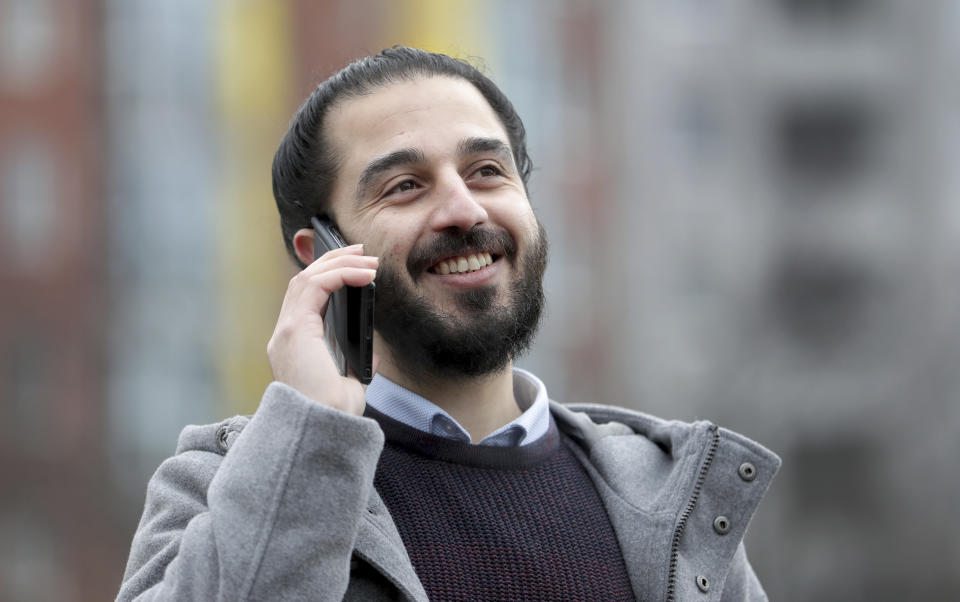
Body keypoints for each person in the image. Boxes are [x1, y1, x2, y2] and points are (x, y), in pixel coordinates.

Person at [117, 46, 780, 601]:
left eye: (488, 172)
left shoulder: (669, 501)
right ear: (321, 254)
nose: (463, 209)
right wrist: (313, 435)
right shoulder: (216, 488)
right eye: (405, 185)